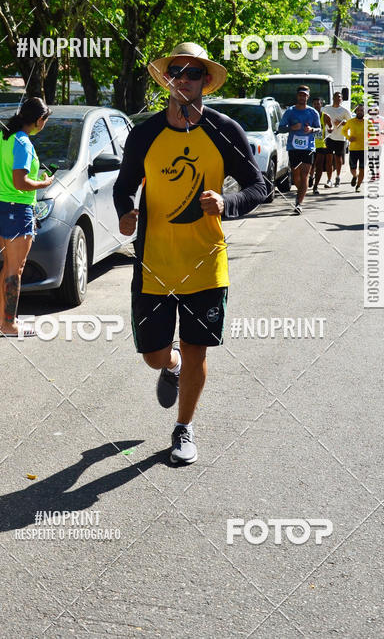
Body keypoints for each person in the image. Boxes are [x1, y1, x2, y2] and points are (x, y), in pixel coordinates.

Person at [113, 42, 266, 465]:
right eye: (175, 72)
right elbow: (123, 185)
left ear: (204, 82)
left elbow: (259, 186)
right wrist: (126, 211)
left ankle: (183, 428)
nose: (183, 79)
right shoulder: (144, 133)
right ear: (166, 80)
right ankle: (171, 364)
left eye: (192, 73)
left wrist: (228, 203)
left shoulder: (225, 131)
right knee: (152, 356)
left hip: (205, 264)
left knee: (198, 347)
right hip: (155, 265)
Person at [0, 97, 54, 336]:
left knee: (8, 265)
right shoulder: (23, 143)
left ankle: (0, 319)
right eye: (45, 120)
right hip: (18, 209)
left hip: (0, 205)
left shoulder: (1, 137)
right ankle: (10, 324)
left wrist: (2, 193)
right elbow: (21, 181)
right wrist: (43, 183)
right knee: (16, 269)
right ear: (39, 120)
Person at [278, 85, 321, 215]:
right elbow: (281, 128)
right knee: (296, 175)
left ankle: (299, 203)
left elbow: (319, 130)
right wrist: (291, 128)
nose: (302, 97)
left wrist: (312, 130)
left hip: (308, 147)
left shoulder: (313, 112)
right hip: (293, 147)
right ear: (297, 96)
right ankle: (301, 191)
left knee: (305, 174)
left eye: (305, 95)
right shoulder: (290, 111)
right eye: (300, 95)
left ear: (308, 97)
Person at [321, 91, 352, 187]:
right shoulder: (326, 108)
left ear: (342, 99)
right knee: (329, 158)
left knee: (338, 159)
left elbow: (351, 124)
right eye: (336, 97)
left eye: (340, 97)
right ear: (333, 98)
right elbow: (321, 119)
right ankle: (329, 180)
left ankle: (338, 177)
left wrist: (343, 123)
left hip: (340, 138)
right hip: (329, 137)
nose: (338, 99)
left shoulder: (345, 110)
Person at [342, 104, 373, 192]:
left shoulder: (368, 122)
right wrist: (348, 138)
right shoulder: (351, 121)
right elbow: (343, 130)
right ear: (356, 111)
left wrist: (369, 140)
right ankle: (355, 176)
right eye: (358, 110)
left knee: (362, 168)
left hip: (364, 149)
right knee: (353, 168)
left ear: (364, 112)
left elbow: (373, 133)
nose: (360, 112)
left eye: (362, 110)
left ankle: (358, 186)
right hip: (353, 148)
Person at [311, 96, 329, 195]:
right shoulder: (309, 114)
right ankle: (310, 177)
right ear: (312, 105)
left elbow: (331, 126)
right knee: (310, 165)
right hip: (309, 144)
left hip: (321, 144)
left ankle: (315, 186)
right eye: (315, 104)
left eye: (318, 104)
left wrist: (330, 129)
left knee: (319, 166)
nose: (317, 105)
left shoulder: (324, 116)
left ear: (321, 105)